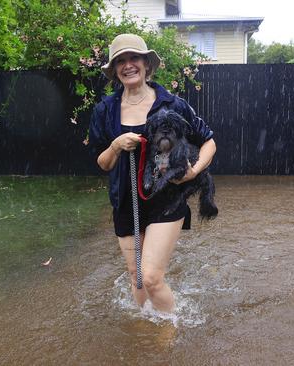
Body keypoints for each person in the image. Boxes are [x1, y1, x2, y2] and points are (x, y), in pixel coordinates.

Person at [88, 34, 216, 313]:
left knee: (151, 277)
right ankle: (146, 327)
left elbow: (209, 141)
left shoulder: (172, 104)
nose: (128, 65)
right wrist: (115, 145)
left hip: (166, 200)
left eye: (134, 58)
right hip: (125, 201)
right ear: (114, 70)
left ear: (146, 63)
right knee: (137, 279)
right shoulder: (104, 110)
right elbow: (103, 163)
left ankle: (168, 330)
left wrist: (193, 172)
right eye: (120, 61)